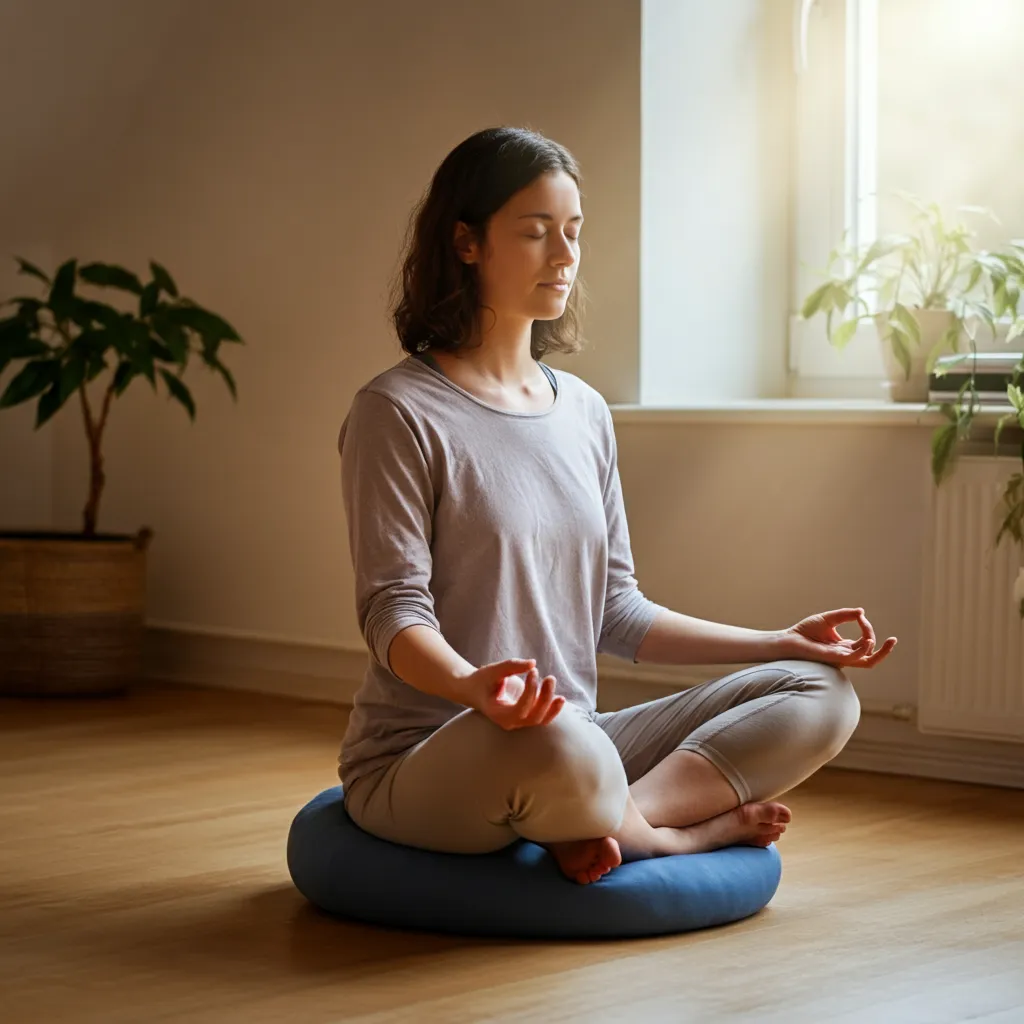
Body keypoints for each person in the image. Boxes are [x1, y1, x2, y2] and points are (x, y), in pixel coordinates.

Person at [336, 126, 897, 885]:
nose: (564, 257)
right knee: (560, 745)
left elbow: (617, 612)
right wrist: (474, 688)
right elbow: (392, 614)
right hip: (435, 751)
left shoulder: (585, 412)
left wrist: (779, 642)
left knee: (822, 694)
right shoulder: (397, 412)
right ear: (466, 243)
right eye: (535, 234)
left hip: (574, 739)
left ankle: (613, 814)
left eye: (572, 233)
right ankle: (666, 837)